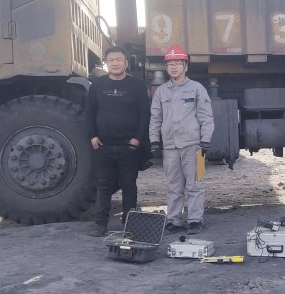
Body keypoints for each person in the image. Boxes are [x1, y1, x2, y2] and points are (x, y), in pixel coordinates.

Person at [149, 45, 214, 235]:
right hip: (170, 147)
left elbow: (206, 117)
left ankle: (195, 220)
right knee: (173, 186)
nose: (174, 67)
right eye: (170, 64)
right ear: (166, 67)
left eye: (177, 63)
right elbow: (155, 118)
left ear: (186, 66)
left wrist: (205, 141)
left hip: (195, 146)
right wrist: (154, 141)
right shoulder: (161, 92)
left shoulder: (197, 89)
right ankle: (174, 220)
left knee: (196, 183)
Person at [86, 46, 151, 237]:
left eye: (119, 60)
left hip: (129, 146)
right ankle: (100, 224)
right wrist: (92, 136)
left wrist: (137, 139)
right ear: (106, 63)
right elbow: (89, 113)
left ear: (126, 63)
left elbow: (145, 115)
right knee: (103, 186)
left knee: (129, 185)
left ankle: (129, 224)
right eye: (111, 60)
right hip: (103, 146)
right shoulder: (97, 86)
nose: (115, 63)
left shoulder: (137, 86)